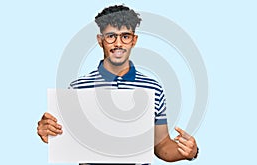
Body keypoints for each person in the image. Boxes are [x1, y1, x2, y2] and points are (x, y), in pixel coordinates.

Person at [37, 5, 199, 164]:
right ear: (100, 40)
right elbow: (66, 140)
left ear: (134, 40)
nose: (118, 43)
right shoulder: (77, 88)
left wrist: (187, 152)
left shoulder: (153, 88)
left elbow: (161, 146)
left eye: (125, 36)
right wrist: (49, 132)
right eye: (111, 36)